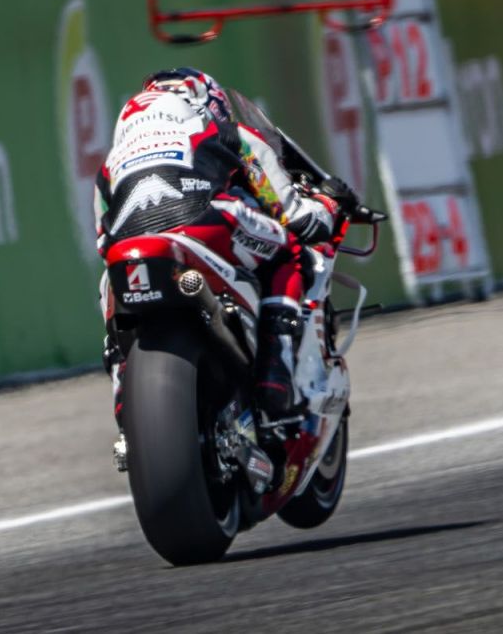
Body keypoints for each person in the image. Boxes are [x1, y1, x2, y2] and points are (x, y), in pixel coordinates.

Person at [94, 68, 345, 419]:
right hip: (206, 223)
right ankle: (276, 371)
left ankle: (125, 398)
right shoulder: (232, 134)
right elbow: (295, 217)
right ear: (210, 103)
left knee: (111, 296)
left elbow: (103, 240)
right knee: (288, 250)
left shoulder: (109, 165)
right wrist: (331, 203)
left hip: (130, 246)